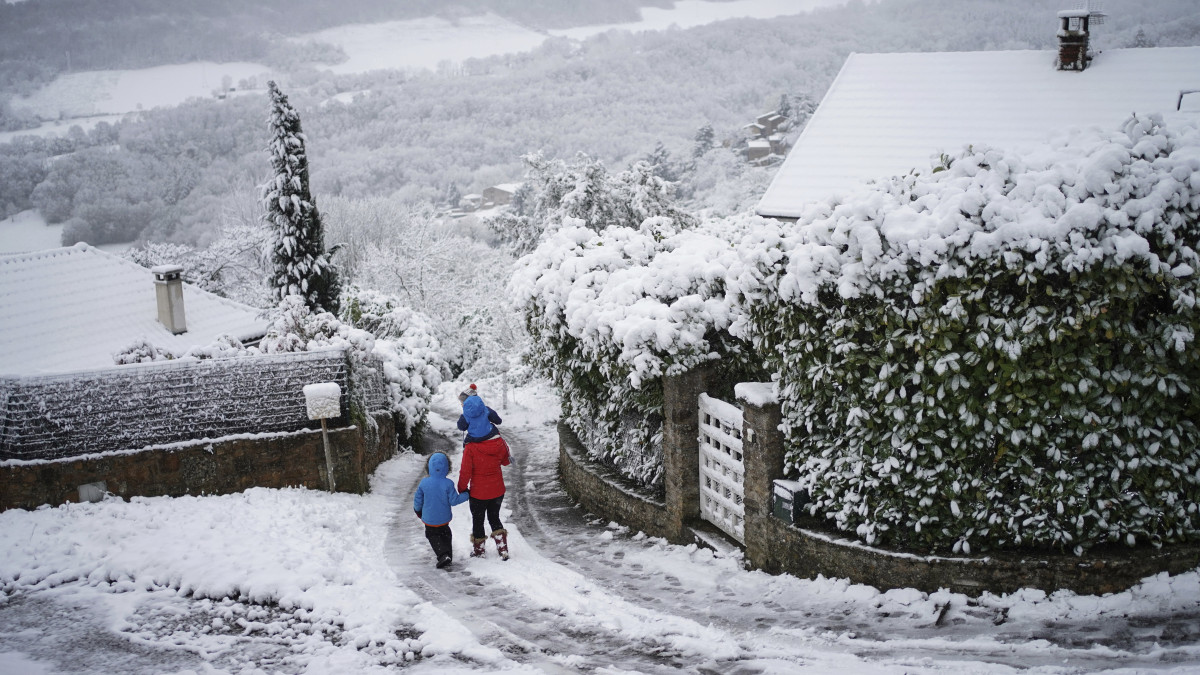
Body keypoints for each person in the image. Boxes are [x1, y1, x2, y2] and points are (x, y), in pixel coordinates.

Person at [457, 390, 512, 560]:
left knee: (478, 520)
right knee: (494, 517)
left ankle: (479, 550)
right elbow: (505, 460)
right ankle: (502, 548)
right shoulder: (498, 441)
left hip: (478, 493)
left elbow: (465, 471)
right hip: (497, 490)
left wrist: (461, 487)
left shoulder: (471, 448)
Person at [413, 452, 470, 569]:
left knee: (433, 535)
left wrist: (417, 510)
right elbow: (454, 501)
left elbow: (418, 499)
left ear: (429, 467)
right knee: (445, 534)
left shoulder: (424, 483)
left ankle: (442, 555)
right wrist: (466, 494)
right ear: (447, 468)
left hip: (429, 518)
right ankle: (447, 554)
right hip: (444, 518)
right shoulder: (448, 484)